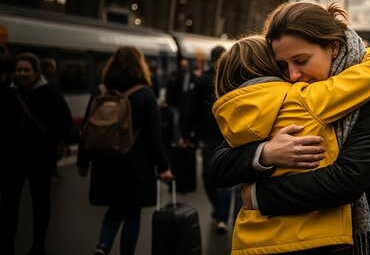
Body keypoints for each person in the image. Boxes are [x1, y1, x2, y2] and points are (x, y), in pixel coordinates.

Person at [209, 1, 370, 255]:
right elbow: (219, 165)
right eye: (282, 66)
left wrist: (257, 196)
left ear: (332, 47)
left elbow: (348, 179)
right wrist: (266, 153)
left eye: (301, 60)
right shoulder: (288, 95)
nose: (293, 75)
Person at [77, 46, 173, 255]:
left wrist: (83, 161)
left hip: (104, 162)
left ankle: (102, 246)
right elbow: (155, 136)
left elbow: (86, 130)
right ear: (140, 65)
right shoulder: (145, 95)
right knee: (132, 212)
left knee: (114, 208)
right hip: (135, 164)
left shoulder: (99, 92)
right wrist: (164, 167)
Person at [0, 52, 73, 255]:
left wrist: (49, 144)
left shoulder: (50, 93)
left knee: (40, 201)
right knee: (8, 204)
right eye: (19, 70)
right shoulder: (7, 94)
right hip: (11, 159)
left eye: (27, 70)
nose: (22, 73)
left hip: (40, 159)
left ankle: (39, 241)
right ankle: (7, 244)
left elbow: (65, 122)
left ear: (35, 72)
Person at [181, 45, 237, 233]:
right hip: (227, 134)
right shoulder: (232, 78)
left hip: (209, 136)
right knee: (224, 177)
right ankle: (221, 213)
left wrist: (184, 133)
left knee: (209, 176)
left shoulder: (202, 80)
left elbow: (191, 108)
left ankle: (220, 214)